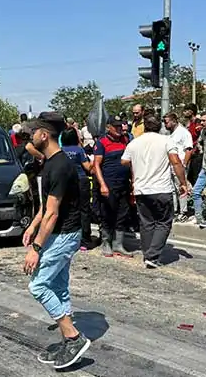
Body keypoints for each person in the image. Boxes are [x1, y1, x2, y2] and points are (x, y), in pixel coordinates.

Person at [21, 111, 90, 370]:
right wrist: (33, 225)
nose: (29, 137)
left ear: (44, 134)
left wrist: (36, 248)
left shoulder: (60, 166)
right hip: (58, 233)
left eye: (32, 133)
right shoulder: (50, 163)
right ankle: (67, 341)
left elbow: (53, 212)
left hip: (64, 235)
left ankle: (73, 337)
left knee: (38, 286)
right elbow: (45, 208)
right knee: (58, 287)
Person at [121, 115, 190, 269]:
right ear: (160, 127)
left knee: (146, 223)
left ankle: (148, 254)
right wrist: (183, 183)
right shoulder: (166, 141)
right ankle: (152, 255)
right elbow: (176, 162)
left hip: (141, 189)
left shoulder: (135, 143)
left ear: (145, 126)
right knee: (164, 222)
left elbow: (124, 161)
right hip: (161, 188)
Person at [92, 115, 132, 257]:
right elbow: (96, 165)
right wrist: (102, 185)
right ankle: (106, 243)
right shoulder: (102, 142)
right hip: (108, 184)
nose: (119, 129)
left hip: (123, 184)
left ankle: (118, 244)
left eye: (120, 126)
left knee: (122, 214)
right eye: (116, 126)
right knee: (107, 214)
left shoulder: (125, 140)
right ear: (108, 127)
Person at [61, 128, 95, 250]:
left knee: (69, 209)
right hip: (81, 180)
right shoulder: (79, 150)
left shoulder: (61, 151)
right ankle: (85, 240)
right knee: (84, 210)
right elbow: (87, 167)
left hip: (66, 182)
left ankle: (69, 237)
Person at [163, 113, 194, 221]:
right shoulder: (169, 134)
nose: (165, 124)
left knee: (181, 187)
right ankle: (175, 211)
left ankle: (183, 211)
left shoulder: (183, 132)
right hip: (170, 166)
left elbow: (189, 149)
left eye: (166, 122)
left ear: (174, 121)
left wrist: (184, 165)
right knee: (172, 189)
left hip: (179, 165)